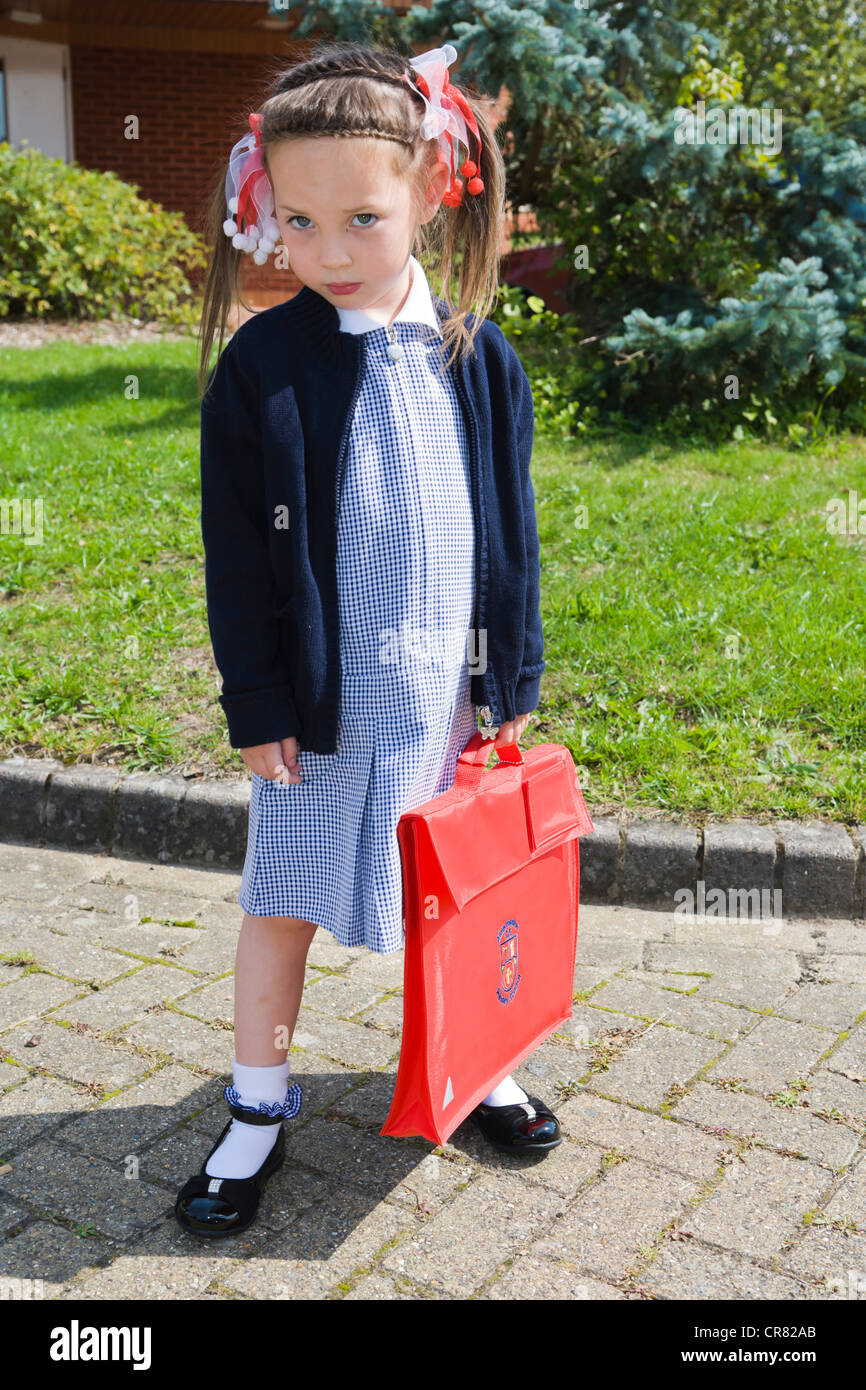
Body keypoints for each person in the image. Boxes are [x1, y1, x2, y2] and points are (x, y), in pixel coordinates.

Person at [175, 38, 560, 1240]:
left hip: (444, 699)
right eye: (296, 220)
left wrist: (512, 674)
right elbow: (237, 558)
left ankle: (479, 1058)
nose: (327, 251)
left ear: (428, 194)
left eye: (359, 217)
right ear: (263, 207)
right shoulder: (262, 370)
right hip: (319, 708)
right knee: (280, 899)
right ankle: (255, 1107)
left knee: (457, 894)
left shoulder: (476, 357)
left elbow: (510, 533)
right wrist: (257, 704)